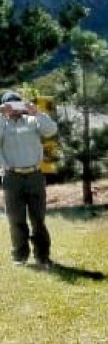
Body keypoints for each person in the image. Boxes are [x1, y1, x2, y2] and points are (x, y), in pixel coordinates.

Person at [1, 91, 57, 268]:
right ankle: (20, 255)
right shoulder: (2, 124)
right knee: (16, 219)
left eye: (17, 104)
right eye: (10, 105)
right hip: (12, 177)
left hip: (34, 175)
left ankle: (42, 256)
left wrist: (37, 112)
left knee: (38, 218)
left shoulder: (33, 121)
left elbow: (51, 130)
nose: (14, 109)